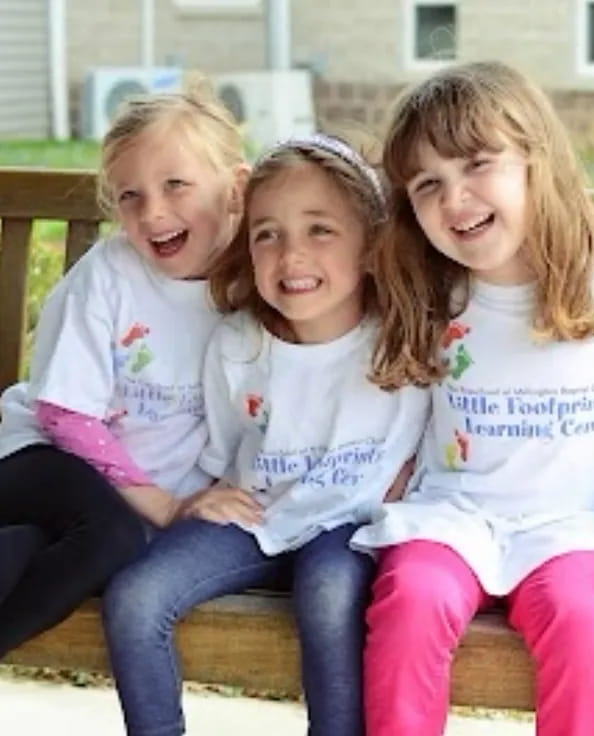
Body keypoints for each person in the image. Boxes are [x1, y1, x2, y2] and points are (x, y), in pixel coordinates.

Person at [351, 60, 594, 736]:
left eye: (478, 164)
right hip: (455, 516)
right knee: (411, 598)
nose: (455, 199)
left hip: (575, 527)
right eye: (429, 184)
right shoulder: (427, 291)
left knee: (584, 621)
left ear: (538, 161)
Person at [103, 135, 429, 736]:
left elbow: (435, 438)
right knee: (134, 597)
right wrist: (200, 500)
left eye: (320, 231)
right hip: (256, 515)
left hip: (349, 523)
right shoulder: (238, 344)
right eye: (267, 234)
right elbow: (228, 447)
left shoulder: (400, 337)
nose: (291, 256)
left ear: (369, 243)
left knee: (330, 596)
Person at [0, 83, 248, 657]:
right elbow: (64, 414)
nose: (152, 212)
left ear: (235, 188)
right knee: (109, 539)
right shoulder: (109, 276)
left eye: (175, 185)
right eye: (129, 196)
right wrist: (162, 504)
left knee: (33, 548)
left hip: (94, 502)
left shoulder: (254, 281)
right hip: (41, 456)